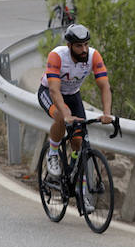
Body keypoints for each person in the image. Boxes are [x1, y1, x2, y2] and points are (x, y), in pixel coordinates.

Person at [39, 24, 113, 179]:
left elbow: (105, 86)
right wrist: (66, 114)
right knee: (60, 115)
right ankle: (52, 154)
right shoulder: (57, 56)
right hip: (49, 92)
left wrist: (107, 113)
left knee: (78, 140)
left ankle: (73, 167)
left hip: (73, 95)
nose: (84, 49)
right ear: (69, 46)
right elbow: (54, 90)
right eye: (79, 46)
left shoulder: (94, 56)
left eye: (86, 44)